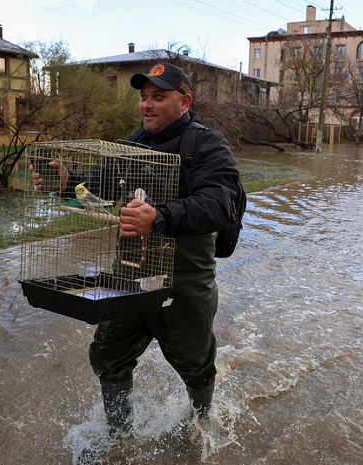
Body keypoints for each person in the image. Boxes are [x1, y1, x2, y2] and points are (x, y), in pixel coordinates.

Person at [32, 62, 239, 446]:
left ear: (184, 101)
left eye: (158, 97)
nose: (146, 105)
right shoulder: (130, 146)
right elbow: (93, 191)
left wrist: (159, 217)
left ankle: (200, 427)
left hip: (184, 282)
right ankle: (118, 435)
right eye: (144, 97)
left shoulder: (206, 145)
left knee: (195, 366)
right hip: (127, 275)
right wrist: (65, 185)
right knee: (109, 355)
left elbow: (217, 204)